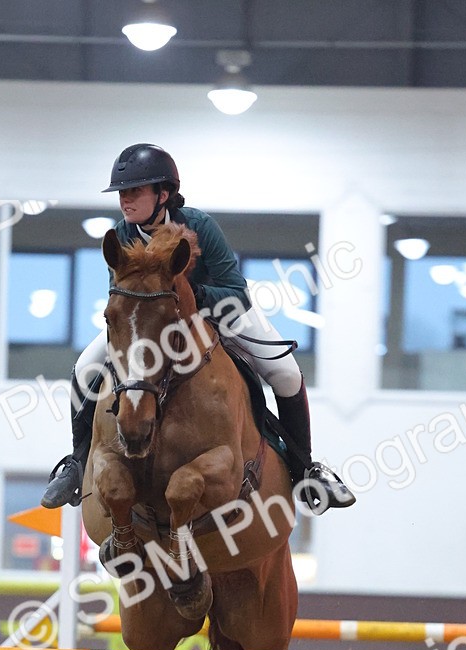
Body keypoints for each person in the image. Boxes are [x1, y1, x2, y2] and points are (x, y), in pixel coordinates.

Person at [41, 143, 353, 509]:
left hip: (221, 313)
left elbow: (236, 292)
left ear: (164, 193)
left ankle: (305, 471)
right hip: (153, 324)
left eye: (135, 191)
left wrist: (190, 296)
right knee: (83, 370)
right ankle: (76, 465)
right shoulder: (122, 233)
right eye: (123, 193)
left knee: (285, 373)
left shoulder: (200, 225)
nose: (126, 201)